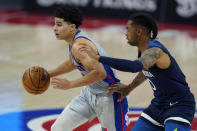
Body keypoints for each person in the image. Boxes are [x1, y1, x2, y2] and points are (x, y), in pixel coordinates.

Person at [78, 13, 196, 131]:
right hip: (158, 106)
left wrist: (99, 58)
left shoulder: (156, 51)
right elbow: (146, 70)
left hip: (179, 106)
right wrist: (129, 87)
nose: (125, 33)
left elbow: (134, 66)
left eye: (128, 29)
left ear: (139, 32)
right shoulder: (144, 52)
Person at [48, 5, 128, 131]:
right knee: (58, 128)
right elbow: (72, 63)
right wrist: (47, 74)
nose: (54, 28)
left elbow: (99, 73)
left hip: (109, 95)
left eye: (59, 24)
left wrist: (70, 84)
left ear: (72, 27)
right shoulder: (73, 42)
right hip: (89, 93)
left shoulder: (79, 45)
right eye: (54, 24)